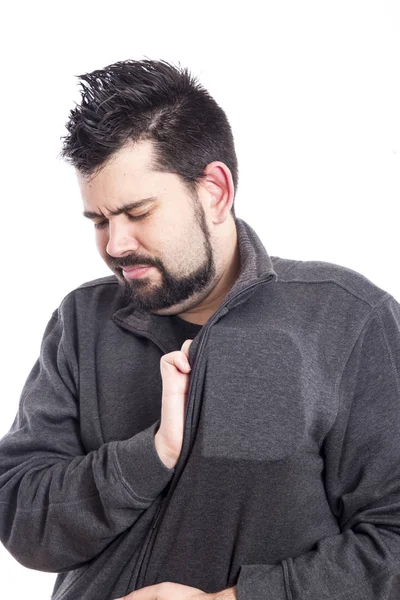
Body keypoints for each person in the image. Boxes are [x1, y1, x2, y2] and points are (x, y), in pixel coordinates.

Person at [0, 59, 400, 600]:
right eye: (99, 221)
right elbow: (22, 523)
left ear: (214, 190)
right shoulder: (80, 322)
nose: (114, 245)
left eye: (137, 212)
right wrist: (154, 453)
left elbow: (392, 540)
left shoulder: (346, 318)